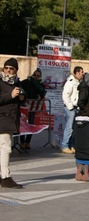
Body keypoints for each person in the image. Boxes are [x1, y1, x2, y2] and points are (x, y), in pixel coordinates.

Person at [0, 58, 25, 188]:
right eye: (6, 68)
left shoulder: (16, 83)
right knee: (5, 148)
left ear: (16, 70)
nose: (8, 71)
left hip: (11, 119)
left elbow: (18, 101)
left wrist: (21, 98)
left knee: (2, 148)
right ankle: (5, 177)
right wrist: (11, 95)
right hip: (3, 119)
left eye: (11, 68)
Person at [20, 68, 47, 149]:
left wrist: (40, 96)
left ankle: (28, 142)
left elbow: (43, 93)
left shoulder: (41, 85)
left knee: (31, 124)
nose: (36, 77)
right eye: (35, 75)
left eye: (38, 76)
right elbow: (20, 87)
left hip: (33, 107)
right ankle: (22, 142)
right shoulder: (26, 81)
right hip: (24, 105)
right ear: (33, 74)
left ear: (40, 76)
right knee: (23, 124)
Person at [61, 66, 84, 154]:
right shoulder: (70, 82)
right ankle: (65, 145)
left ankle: (71, 145)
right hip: (70, 108)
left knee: (74, 128)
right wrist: (70, 107)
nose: (83, 74)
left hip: (75, 108)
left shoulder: (78, 82)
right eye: (82, 72)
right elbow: (65, 95)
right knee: (69, 128)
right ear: (77, 73)